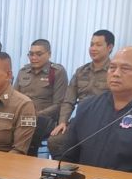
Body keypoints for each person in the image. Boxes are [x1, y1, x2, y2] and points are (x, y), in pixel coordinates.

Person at [64, 46, 132, 176]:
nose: (116, 73)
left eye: (125, 69)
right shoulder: (88, 107)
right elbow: (68, 158)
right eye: (112, 67)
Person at [49, 29, 115, 157]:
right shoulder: (81, 71)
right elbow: (68, 101)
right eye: (91, 44)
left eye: (98, 45)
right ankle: (66, 169)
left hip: (103, 123)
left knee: (92, 148)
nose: (93, 48)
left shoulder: (114, 72)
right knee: (55, 141)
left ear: (109, 47)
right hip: (80, 121)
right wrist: (63, 122)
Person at [15, 39, 69, 151]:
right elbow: (14, 97)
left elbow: (59, 104)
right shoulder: (23, 71)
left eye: (38, 54)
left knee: (28, 132)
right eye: (31, 54)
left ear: (49, 54)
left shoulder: (57, 72)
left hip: (44, 118)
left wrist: (36, 115)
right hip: (22, 116)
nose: (34, 58)